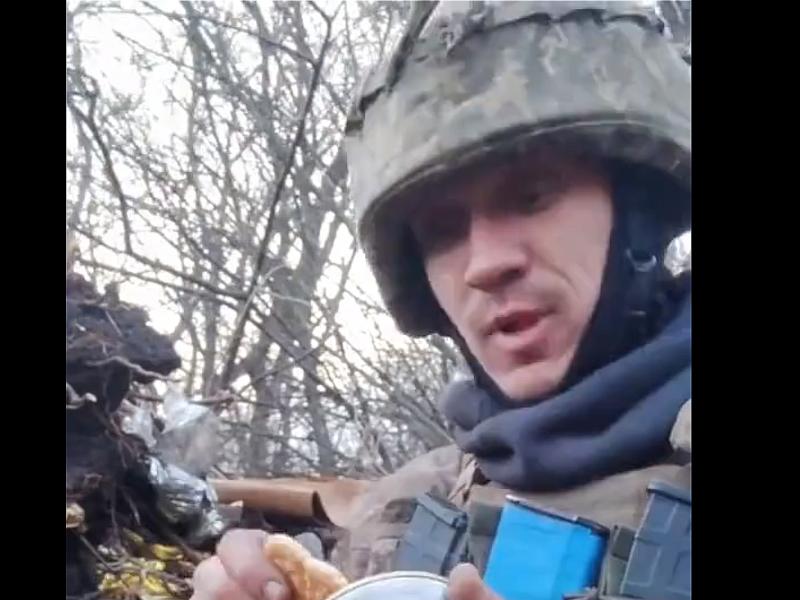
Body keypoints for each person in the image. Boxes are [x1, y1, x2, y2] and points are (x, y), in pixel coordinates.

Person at [190, 1, 691, 599]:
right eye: (443, 230)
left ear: (639, 212)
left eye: (532, 196)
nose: (485, 265)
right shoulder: (406, 515)